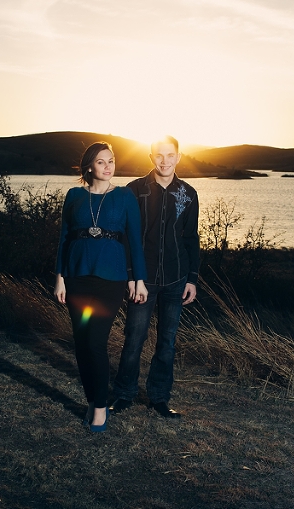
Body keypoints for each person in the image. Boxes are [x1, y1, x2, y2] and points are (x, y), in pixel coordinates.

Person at [54, 142, 148, 433]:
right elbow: (64, 238)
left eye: (111, 160)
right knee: (82, 343)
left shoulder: (124, 196)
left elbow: (134, 241)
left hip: (110, 280)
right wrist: (60, 277)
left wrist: (139, 279)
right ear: (89, 167)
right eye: (101, 162)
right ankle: (92, 399)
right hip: (77, 278)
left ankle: (99, 408)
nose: (108, 166)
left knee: (95, 342)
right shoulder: (74, 196)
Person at [110, 136, 199, 419]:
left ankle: (159, 398)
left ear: (178, 157)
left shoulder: (188, 193)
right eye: (159, 155)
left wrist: (192, 279)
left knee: (167, 343)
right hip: (143, 280)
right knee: (134, 338)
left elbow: (191, 238)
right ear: (151, 157)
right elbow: (124, 236)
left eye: (170, 155)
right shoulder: (134, 190)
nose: (164, 161)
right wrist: (130, 277)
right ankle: (124, 394)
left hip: (176, 278)